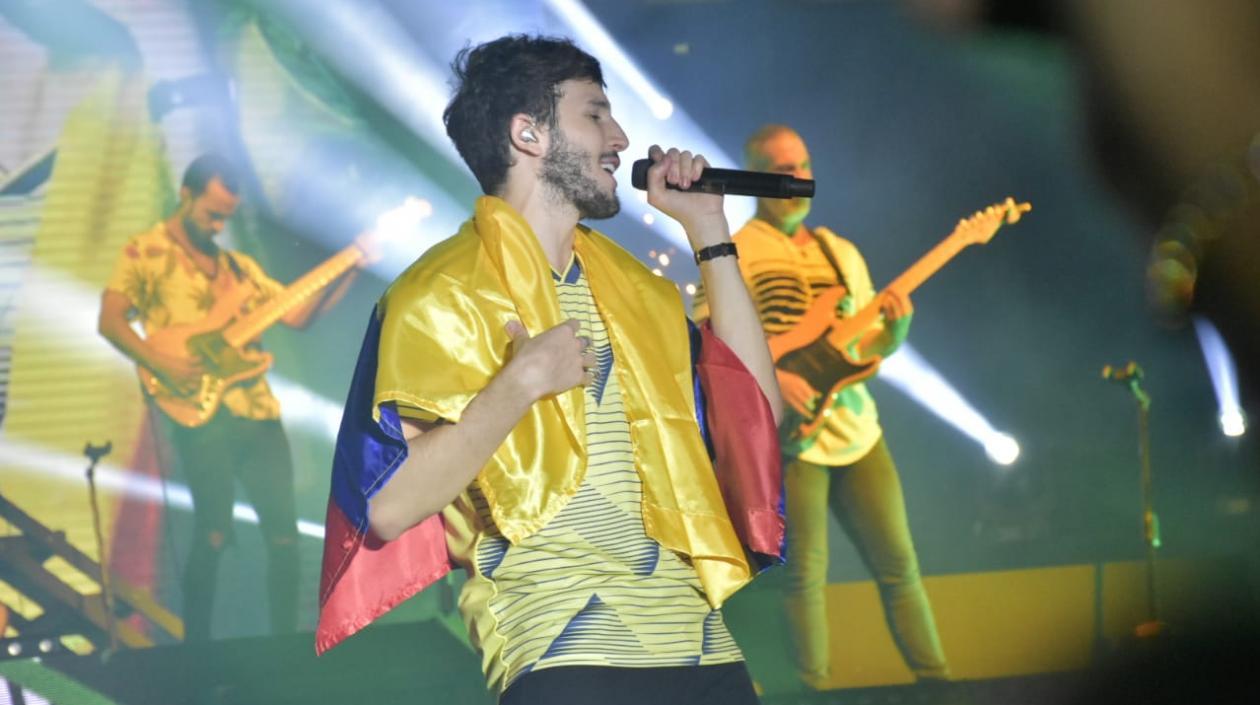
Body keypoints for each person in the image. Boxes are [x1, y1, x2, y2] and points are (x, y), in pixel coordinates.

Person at [313, 35, 785, 705]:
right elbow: (388, 507)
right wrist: (519, 384)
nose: (620, 138)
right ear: (527, 134)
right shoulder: (441, 293)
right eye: (595, 114)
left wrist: (711, 234)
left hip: (701, 645)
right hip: (562, 652)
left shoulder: (637, 290)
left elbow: (758, 418)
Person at [695, 125, 949, 688]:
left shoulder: (841, 252)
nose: (797, 176)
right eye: (781, 168)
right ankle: (812, 690)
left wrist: (892, 337)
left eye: (803, 164)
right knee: (804, 576)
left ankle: (940, 686)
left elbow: (861, 353)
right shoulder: (735, 249)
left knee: (900, 565)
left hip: (855, 428)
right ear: (754, 177)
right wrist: (774, 381)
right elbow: (711, 343)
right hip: (790, 438)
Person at [98, 154, 372, 641]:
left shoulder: (238, 269)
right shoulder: (146, 251)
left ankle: (288, 646)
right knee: (213, 533)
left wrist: (351, 265)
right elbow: (111, 320)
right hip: (201, 414)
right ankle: (198, 649)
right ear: (186, 195)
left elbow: (298, 315)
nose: (219, 226)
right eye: (212, 214)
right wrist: (160, 362)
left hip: (258, 413)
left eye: (226, 217)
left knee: (285, 537)